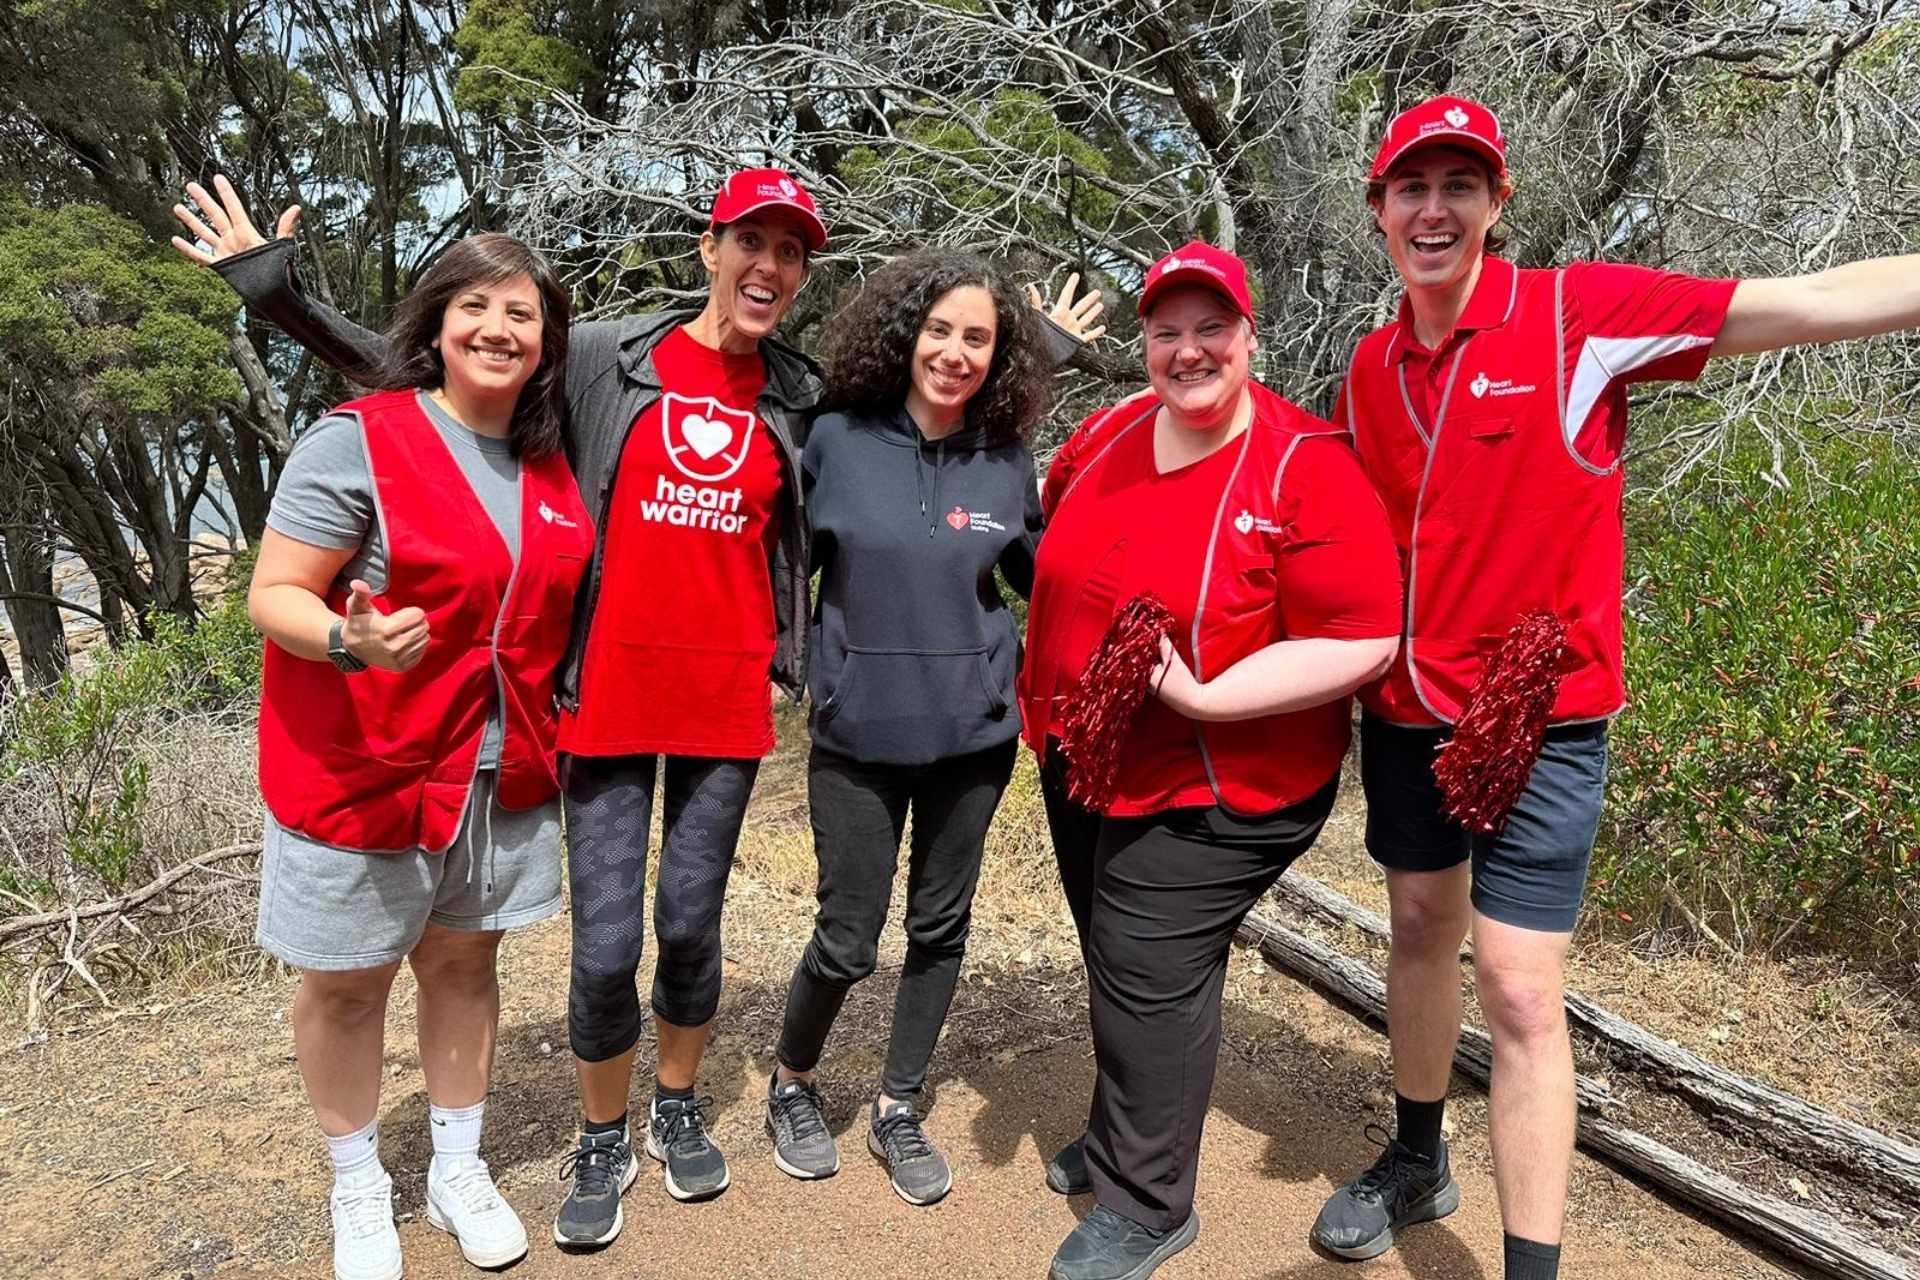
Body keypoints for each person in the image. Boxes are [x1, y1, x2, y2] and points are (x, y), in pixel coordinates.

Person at [1311, 94, 1920, 1280]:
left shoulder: (1574, 318)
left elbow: (1810, 302)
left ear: (1499, 202)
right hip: (1405, 714)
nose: (1433, 210)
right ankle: (1416, 1152)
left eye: (1459, 186)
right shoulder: (1370, 365)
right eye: (1411, 188)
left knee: (1525, 992)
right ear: (1380, 209)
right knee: (1421, 928)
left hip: (1549, 724)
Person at [174, 167, 830, 1243]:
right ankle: (598, 1131)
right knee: (602, 938)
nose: (767, 265)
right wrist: (279, 298)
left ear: (803, 274)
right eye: (749, 241)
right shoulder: (613, 355)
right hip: (601, 702)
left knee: (681, 926)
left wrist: (1029, 355)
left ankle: (666, 1106)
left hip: (710, 707)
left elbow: (913, 426)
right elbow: (443, 380)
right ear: (708, 247)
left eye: (791, 250)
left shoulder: (799, 393)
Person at [1019, 242, 1404, 1280]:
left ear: (1249, 337)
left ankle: (1149, 1203)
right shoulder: (1105, 431)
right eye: (1166, 332)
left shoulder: (1303, 462)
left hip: (1222, 773)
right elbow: (1041, 538)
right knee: (1116, 952)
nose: (1188, 351)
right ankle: (1121, 1138)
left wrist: (1204, 694)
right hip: (1087, 748)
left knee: (1148, 966)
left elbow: (1368, 634)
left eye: (1211, 329)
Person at [237, 232, 587, 1280]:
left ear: (545, 342)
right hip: (368, 763)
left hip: (499, 765)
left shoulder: (549, 461)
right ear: (436, 324)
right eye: (477, 307)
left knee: (464, 961)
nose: (499, 328)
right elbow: (274, 593)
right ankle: (357, 1181)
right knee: (347, 983)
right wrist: (350, 637)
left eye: (522, 314)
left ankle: (456, 1165)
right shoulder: (359, 439)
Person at [761, 250, 1101, 1206]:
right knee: (848, 936)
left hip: (974, 738)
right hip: (857, 736)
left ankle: (899, 1104)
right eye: (939, 331)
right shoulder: (832, 439)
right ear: (903, 334)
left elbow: (1045, 574)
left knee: (940, 928)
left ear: (1002, 356)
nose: (954, 353)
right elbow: (778, 565)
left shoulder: (1005, 456)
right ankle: (791, 1084)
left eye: (980, 339)